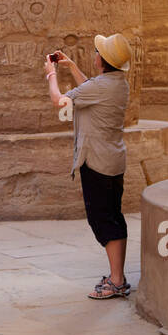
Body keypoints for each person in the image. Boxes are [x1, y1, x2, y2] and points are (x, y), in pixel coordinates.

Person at [44, 33, 133, 300]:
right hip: (112, 159)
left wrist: (51, 75)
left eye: (97, 51)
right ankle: (117, 276)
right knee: (114, 218)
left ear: (102, 60)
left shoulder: (100, 87)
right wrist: (70, 66)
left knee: (103, 220)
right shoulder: (116, 83)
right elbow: (90, 90)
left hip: (96, 162)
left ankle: (116, 281)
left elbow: (60, 101)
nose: (94, 54)